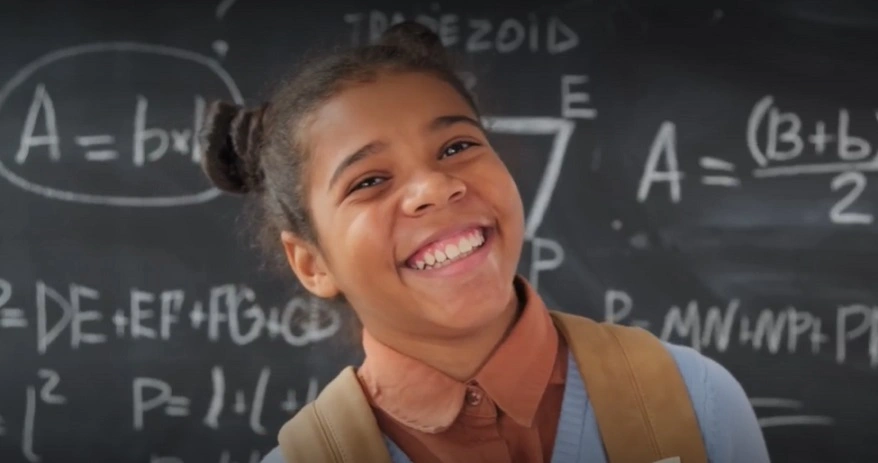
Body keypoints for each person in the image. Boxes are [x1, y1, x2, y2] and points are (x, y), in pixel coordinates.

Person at [200, 21, 770, 463]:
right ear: (311, 262)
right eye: (369, 181)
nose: (434, 187)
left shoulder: (694, 401)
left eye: (455, 147)